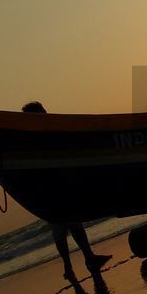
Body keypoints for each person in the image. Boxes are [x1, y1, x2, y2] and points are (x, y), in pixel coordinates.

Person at [21, 101, 114, 281]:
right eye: (42, 113)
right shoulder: (37, 136)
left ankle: (77, 264)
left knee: (66, 225)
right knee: (66, 224)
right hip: (53, 188)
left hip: (51, 188)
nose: (46, 114)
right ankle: (79, 263)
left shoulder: (34, 137)